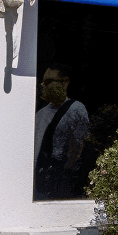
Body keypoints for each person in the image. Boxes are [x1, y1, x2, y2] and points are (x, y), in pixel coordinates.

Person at [34, 62, 90, 199]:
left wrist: (65, 176)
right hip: (39, 180)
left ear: (64, 83)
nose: (42, 85)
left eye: (48, 81)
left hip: (60, 183)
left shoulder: (76, 109)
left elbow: (77, 149)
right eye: (42, 81)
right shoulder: (40, 114)